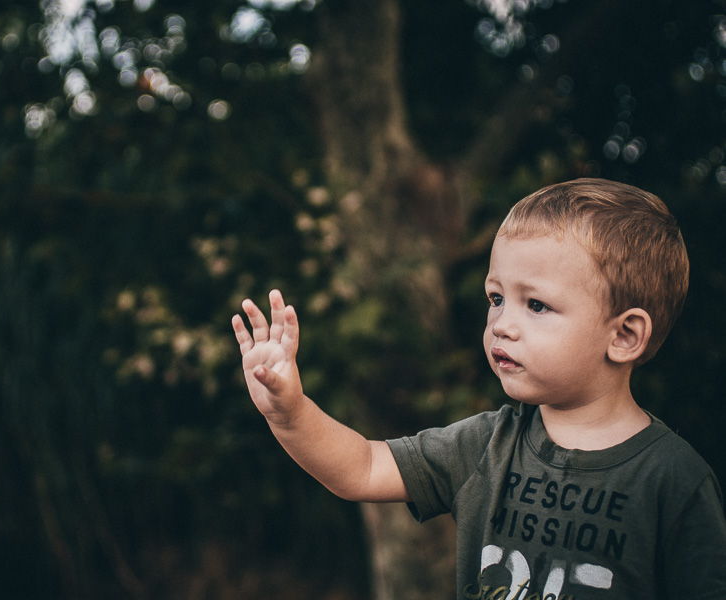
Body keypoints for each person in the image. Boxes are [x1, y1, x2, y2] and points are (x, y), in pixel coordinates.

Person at [231, 178, 726, 599]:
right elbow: (361, 468)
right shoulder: (485, 447)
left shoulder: (674, 482)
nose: (501, 325)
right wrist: (289, 412)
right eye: (495, 298)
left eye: (536, 305)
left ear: (624, 336)